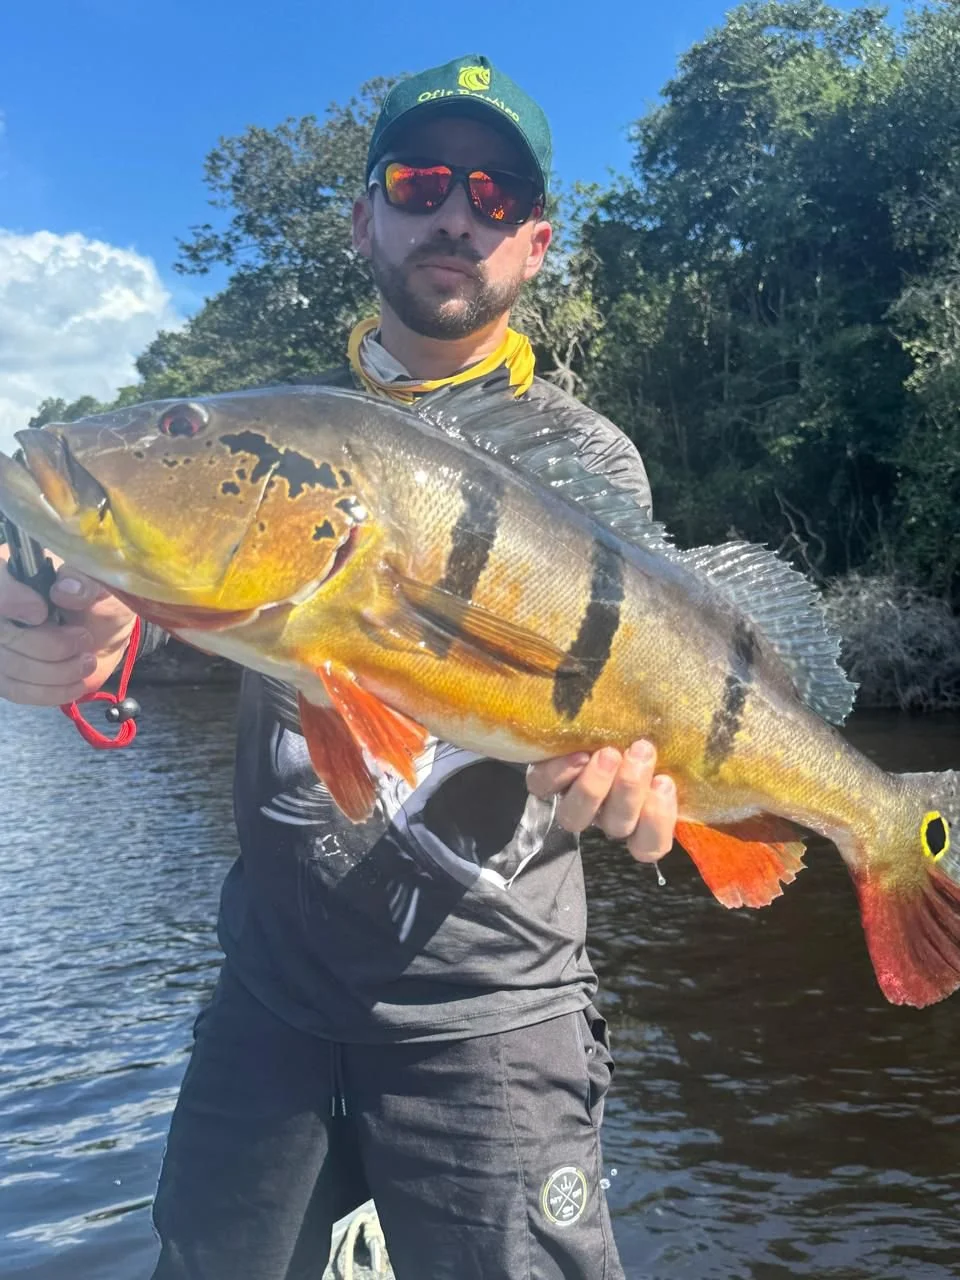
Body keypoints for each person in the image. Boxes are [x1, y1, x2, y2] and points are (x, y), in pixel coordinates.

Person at [0, 55, 678, 1280]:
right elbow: (223, 603)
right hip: (271, 999)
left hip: (496, 1016)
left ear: (534, 242)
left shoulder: (588, 463)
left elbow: (632, 691)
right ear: (365, 218)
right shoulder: (294, 432)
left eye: (495, 192)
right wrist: (96, 629)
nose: (455, 213)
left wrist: (646, 787)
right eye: (421, 181)